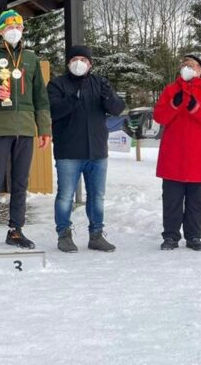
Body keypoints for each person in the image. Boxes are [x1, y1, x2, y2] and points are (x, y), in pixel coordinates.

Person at [0, 9, 51, 250]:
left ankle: (16, 229)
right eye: (9, 27)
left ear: (23, 30)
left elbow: (41, 97)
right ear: (0, 30)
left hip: (25, 127)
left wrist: (44, 128)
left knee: (20, 182)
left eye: (18, 27)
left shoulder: (31, 59)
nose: (14, 31)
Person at [47, 45, 125, 253]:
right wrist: (74, 98)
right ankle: (64, 235)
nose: (79, 63)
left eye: (84, 59)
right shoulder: (57, 84)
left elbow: (117, 108)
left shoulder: (100, 83)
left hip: (97, 152)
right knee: (65, 196)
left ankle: (96, 235)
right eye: (75, 59)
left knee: (97, 196)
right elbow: (53, 111)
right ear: (68, 62)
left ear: (90, 63)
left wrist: (109, 97)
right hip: (68, 152)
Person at [153, 52, 201, 251]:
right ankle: (170, 236)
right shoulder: (171, 90)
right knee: (171, 201)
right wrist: (174, 105)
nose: (187, 67)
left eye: (192, 64)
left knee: (197, 202)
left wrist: (197, 108)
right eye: (185, 63)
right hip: (174, 156)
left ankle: (194, 236)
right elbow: (160, 116)